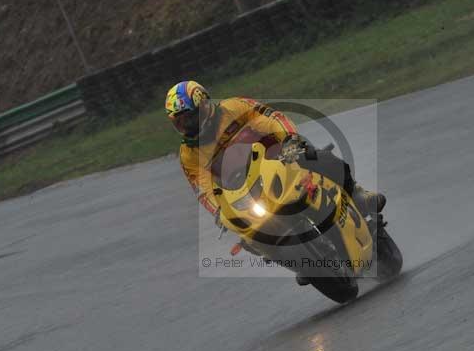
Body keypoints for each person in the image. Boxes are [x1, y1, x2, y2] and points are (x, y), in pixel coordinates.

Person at [165, 80, 385, 282]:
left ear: (204, 106)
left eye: (190, 117)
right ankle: (298, 262)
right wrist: (218, 212)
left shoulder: (234, 107)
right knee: (248, 237)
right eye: (180, 122)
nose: (187, 126)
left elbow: (271, 119)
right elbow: (203, 189)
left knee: (315, 157)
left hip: (278, 157)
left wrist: (288, 139)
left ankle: (357, 193)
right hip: (242, 190)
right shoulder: (188, 154)